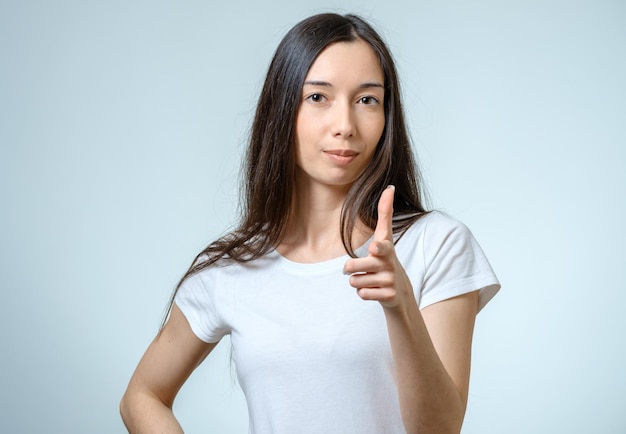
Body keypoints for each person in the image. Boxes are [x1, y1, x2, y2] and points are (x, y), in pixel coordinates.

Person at [120, 12, 500, 434]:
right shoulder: (230, 268)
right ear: (282, 110)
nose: (345, 126)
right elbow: (142, 396)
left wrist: (400, 306)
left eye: (367, 100)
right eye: (318, 97)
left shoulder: (437, 244)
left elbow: (441, 429)